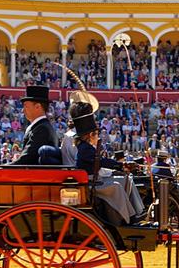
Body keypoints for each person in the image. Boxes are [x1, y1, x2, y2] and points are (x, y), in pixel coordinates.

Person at [70, 91, 144, 225]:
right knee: (116, 187)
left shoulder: (86, 147)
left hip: (94, 179)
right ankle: (127, 219)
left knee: (124, 180)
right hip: (90, 184)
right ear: (89, 135)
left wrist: (119, 166)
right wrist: (120, 165)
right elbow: (102, 162)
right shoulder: (85, 148)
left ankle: (136, 212)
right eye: (95, 134)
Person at [12, 85, 59, 165]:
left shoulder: (42, 129)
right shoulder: (38, 126)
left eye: (26, 106)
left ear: (37, 107)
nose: (23, 110)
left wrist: (2, 168)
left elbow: (27, 159)